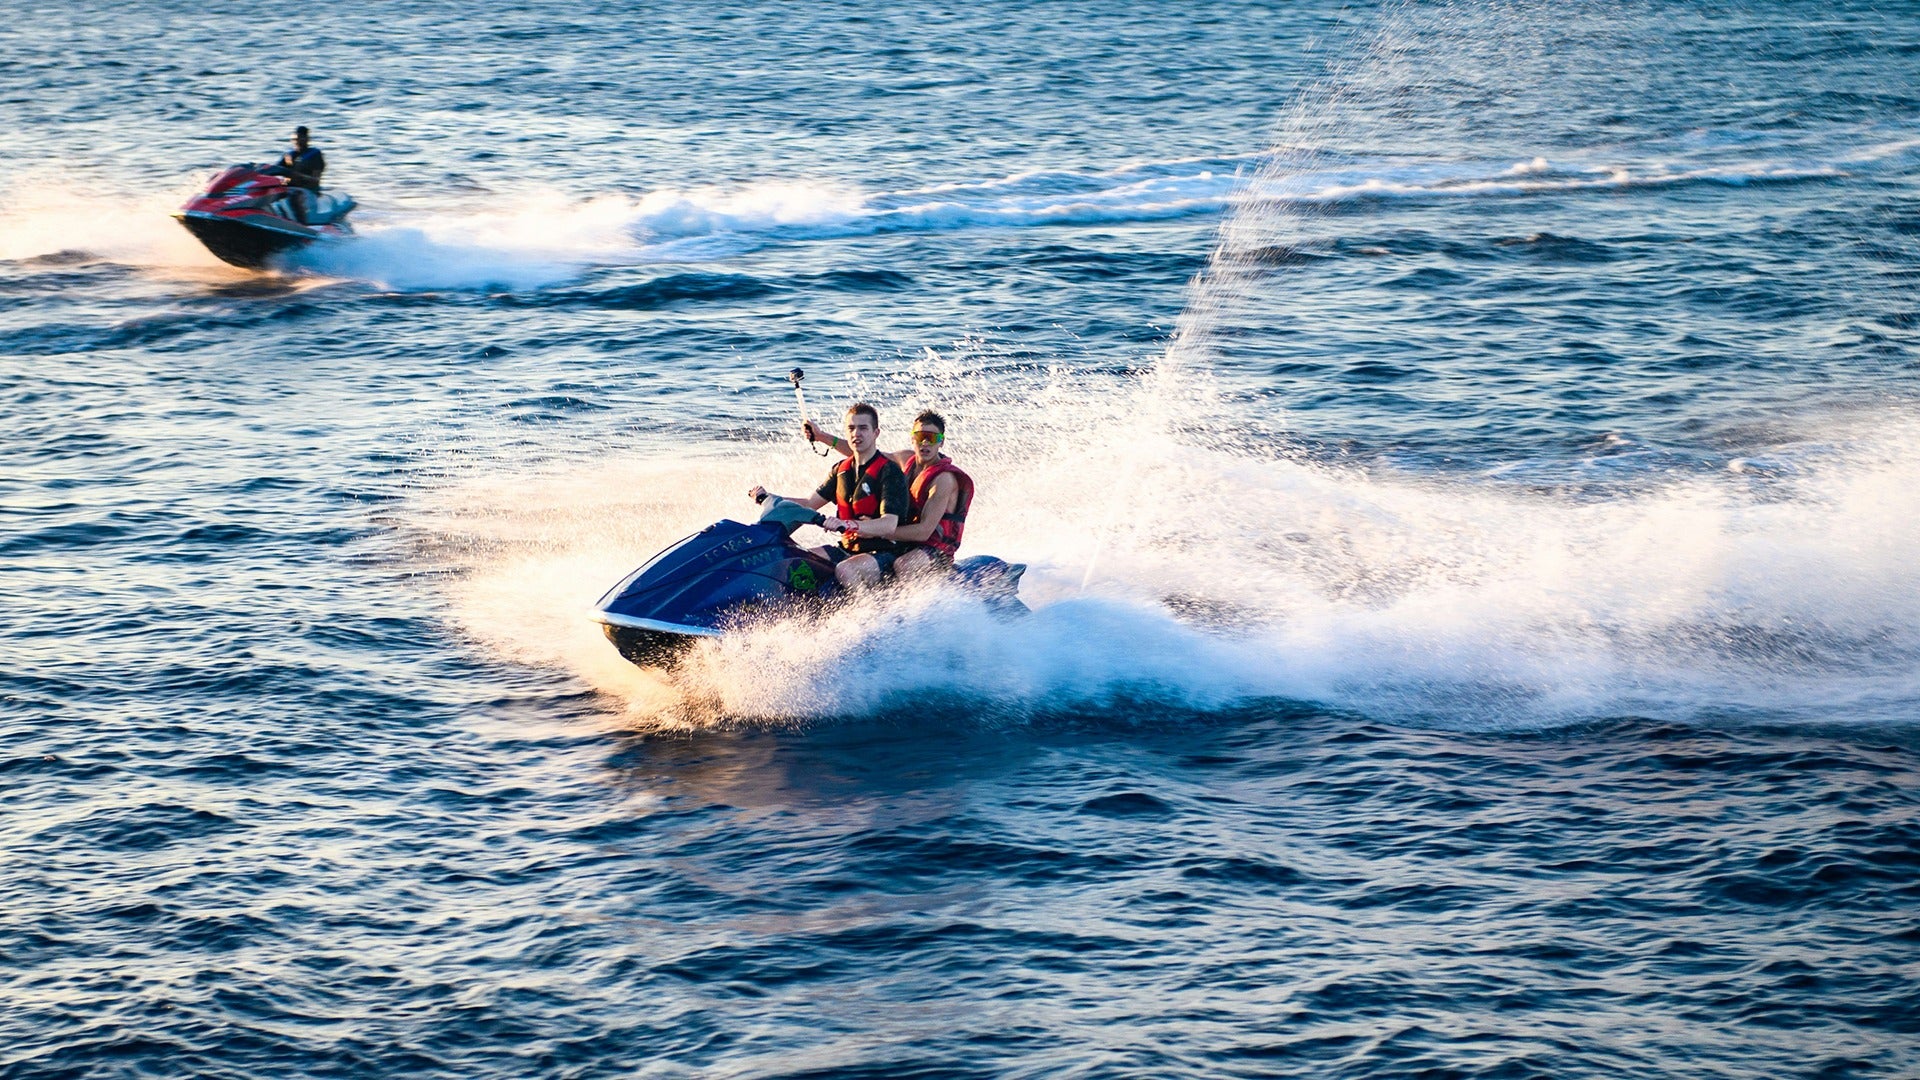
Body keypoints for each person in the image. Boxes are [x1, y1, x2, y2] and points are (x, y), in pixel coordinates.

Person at [749, 403, 911, 588]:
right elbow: (809, 503)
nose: (856, 434)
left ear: (876, 433)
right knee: (792, 560)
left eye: (863, 428)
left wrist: (847, 524)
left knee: (846, 569)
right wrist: (770, 498)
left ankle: (869, 607)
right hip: (846, 550)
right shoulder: (841, 470)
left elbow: (889, 524)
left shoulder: (890, 471)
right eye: (851, 428)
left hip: (884, 553)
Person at [806, 409, 971, 576]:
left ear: (941, 442)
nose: (925, 443)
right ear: (912, 439)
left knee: (904, 565)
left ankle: (912, 594)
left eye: (932, 438)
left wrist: (875, 530)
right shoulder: (906, 459)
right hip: (903, 540)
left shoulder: (944, 479)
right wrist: (822, 437)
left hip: (934, 548)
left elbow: (924, 532)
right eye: (920, 437)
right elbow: (865, 454)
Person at [263, 126, 326, 224]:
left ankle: (303, 226)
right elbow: (278, 169)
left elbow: (315, 180)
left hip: (308, 189)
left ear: (307, 139)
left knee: (294, 196)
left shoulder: (314, 155)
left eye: (301, 138)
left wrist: (297, 176)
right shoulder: (289, 156)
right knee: (268, 191)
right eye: (296, 139)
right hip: (289, 186)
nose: (298, 141)